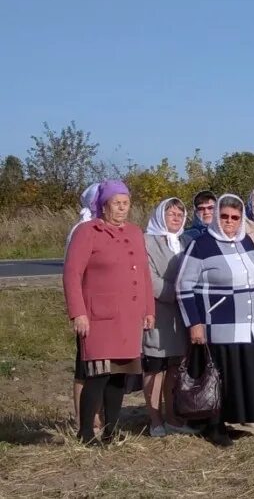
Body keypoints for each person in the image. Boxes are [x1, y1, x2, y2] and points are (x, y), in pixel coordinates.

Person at [63, 180, 155, 444]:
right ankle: (86, 432)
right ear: (104, 206)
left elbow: (144, 274)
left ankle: (111, 431)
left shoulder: (135, 232)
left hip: (129, 317)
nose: (122, 208)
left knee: (119, 376)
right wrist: (78, 313)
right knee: (98, 375)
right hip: (99, 318)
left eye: (126, 203)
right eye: (117, 203)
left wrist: (148, 310)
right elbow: (72, 274)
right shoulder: (87, 231)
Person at [176, 194, 254, 446]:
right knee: (216, 378)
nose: (229, 221)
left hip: (245, 325)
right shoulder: (201, 245)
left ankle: (227, 422)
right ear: (217, 217)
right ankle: (213, 426)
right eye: (225, 216)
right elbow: (183, 286)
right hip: (216, 325)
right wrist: (194, 323)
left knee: (235, 377)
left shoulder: (246, 242)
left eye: (235, 218)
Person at [143, 197, 195, 437]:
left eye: (180, 214)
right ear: (160, 215)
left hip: (181, 315)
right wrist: (178, 292)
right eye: (170, 213)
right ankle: (155, 419)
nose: (176, 218)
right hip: (158, 312)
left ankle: (173, 416)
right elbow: (149, 278)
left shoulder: (187, 241)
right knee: (156, 368)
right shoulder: (147, 241)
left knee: (175, 367)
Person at [66, 182, 100, 435]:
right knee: (85, 366)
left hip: (107, 308)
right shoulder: (82, 229)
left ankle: (99, 414)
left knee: (105, 367)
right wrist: (79, 311)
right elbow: (73, 273)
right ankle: (82, 419)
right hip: (89, 308)